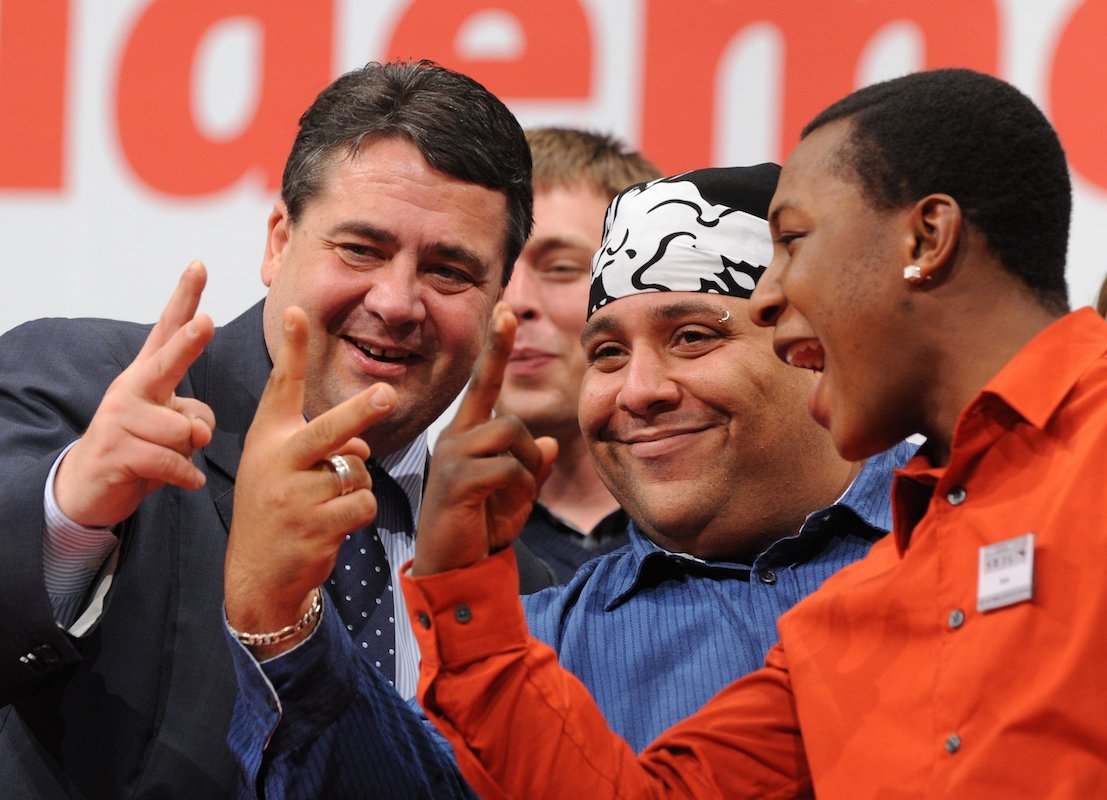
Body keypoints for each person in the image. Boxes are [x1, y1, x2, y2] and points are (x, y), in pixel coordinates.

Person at [394, 68, 1107, 797]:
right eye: (607, 352)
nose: (770, 295)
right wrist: (461, 591)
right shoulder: (861, 608)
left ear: (925, 238)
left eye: (793, 242)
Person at [222, 164, 916, 796]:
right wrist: (278, 619)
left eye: (693, 338)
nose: (637, 391)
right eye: (607, 353)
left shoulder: (983, 530)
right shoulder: (526, 647)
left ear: (816, 348)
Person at [0, 59, 553, 799]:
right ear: (277, 242)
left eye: (449, 270)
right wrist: (70, 515)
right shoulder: (94, 390)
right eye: (361, 248)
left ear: (496, 300)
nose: (396, 302)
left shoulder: (525, 584)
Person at [506, 128, 661, 581]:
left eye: (560, 268)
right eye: (494, 268)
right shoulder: (411, 528)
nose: (515, 301)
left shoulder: (738, 530)